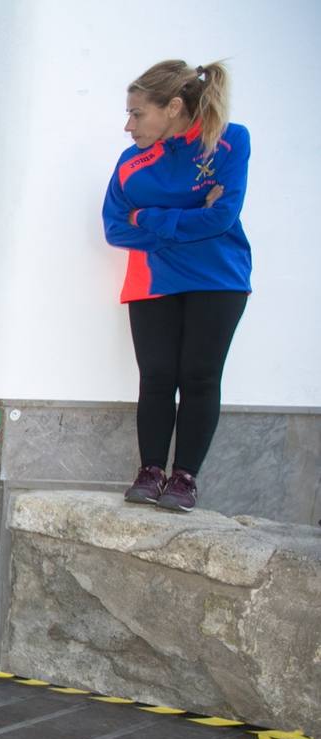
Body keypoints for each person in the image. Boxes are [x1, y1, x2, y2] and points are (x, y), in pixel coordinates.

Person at [102, 60, 250, 513]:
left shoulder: (228, 139)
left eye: (137, 113)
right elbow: (114, 228)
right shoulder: (131, 162)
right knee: (158, 378)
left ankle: (184, 478)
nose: (128, 126)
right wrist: (189, 215)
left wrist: (147, 217)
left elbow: (222, 218)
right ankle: (150, 472)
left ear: (173, 107)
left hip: (218, 278)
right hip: (152, 281)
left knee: (200, 377)